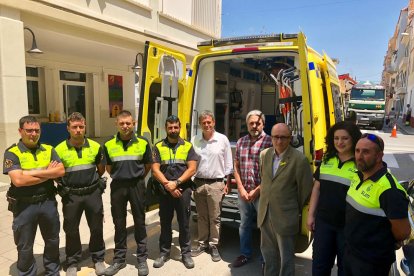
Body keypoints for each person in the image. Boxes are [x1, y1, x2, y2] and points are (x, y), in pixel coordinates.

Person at [3, 115, 65, 275]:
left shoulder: (49, 149)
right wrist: (47, 172)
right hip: (24, 206)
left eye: (37, 130)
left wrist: (31, 174)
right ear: (20, 131)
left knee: (52, 241)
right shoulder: (12, 153)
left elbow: (60, 171)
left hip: (48, 203)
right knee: (25, 246)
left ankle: (53, 271)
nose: (33, 134)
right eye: (29, 130)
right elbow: (18, 180)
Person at [344, 133, 410, 275]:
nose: (359, 156)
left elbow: (402, 232)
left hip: (371, 263)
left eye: (366, 152)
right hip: (351, 254)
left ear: (379, 156)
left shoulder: (389, 190)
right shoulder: (357, 175)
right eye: (357, 151)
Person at [306, 121, 362, 276]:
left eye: (345, 138)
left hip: (348, 226)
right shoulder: (327, 159)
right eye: (336, 138)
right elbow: (317, 188)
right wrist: (311, 215)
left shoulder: (361, 164)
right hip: (324, 223)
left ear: (353, 139)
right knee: (319, 266)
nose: (340, 142)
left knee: (346, 268)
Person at [54, 112, 106, 276]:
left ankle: (98, 259)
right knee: (71, 229)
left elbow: (101, 169)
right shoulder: (59, 149)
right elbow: (56, 173)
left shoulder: (95, 146)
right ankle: (72, 262)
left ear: (85, 127)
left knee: (97, 228)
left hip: (92, 193)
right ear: (68, 128)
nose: (78, 130)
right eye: (74, 127)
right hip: (72, 196)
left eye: (81, 127)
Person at [258, 123, 313, 276]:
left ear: (290, 138)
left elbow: (305, 190)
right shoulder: (264, 154)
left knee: (286, 258)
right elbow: (265, 181)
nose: (279, 141)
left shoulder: (299, 160)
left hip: (286, 216)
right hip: (265, 213)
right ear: (271, 137)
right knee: (268, 254)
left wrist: (290, 206)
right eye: (276, 137)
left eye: (284, 137)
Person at [103, 110, 152, 276]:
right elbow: (108, 168)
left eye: (128, 123)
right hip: (118, 186)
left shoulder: (143, 143)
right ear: (116, 124)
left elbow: (147, 166)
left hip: (136, 185)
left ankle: (142, 258)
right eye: (122, 123)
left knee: (139, 222)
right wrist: (121, 177)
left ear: (134, 124)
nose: (125, 126)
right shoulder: (108, 143)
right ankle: (119, 259)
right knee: (119, 223)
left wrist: (137, 179)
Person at [151, 115, 198, 269]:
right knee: (165, 223)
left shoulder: (187, 146)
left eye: (175, 127)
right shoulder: (158, 147)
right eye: (170, 127)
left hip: (183, 190)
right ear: (166, 128)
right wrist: (168, 185)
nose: (173, 130)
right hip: (165, 191)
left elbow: (192, 168)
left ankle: (186, 253)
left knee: (184, 223)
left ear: (179, 128)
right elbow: (155, 169)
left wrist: (176, 183)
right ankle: (164, 253)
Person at [190, 110, 233, 262]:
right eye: (204, 123)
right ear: (200, 125)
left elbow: (228, 163)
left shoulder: (222, 140)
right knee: (201, 217)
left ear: (214, 122)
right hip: (199, 183)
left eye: (209, 122)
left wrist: (227, 183)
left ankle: (214, 245)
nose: (207, 125)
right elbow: (191, 163)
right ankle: (202, 243)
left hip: (216, 183)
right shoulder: (195, 140)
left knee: (215, 217)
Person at [232, 110, 272, 268]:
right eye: (251, 123)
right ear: (247, 125)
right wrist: (241, 188)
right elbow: (236, 166)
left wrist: (256, 191)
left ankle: (266, 258)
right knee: (244, 224)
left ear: (263, 123)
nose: (254, 126)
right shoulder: (241, 141)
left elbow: (272, 172)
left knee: (265, 226)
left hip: (262, 193)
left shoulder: (270, 142)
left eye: (258, 123)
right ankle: (245, 254)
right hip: (244, 192)